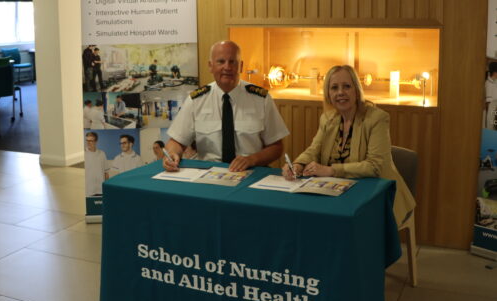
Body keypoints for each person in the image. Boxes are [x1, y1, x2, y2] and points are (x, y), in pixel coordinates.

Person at [282, 64, 415, 225]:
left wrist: (331, 170)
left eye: (346, 86)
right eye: (334, 88)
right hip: (339, 191)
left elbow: (374, 166)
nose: (340, 93)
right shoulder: (328, 119)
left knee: (344, 223)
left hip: (377, 195)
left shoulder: (377, 118)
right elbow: (314, 150)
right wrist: (297, 164)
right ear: (328, 94)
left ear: (356, 90)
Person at [164, 40, 289, 172]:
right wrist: (173, 154)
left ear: (240, 66)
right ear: (210, 66)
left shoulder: (261, 99)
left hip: (250, 172)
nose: (227, 67)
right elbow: (177, 141)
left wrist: (252, 159)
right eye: (221, 61)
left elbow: (276, 147)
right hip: (208, 174)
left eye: (232, 62)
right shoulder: (196, 100)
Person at [84, 132, 109, 196]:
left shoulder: (102, 154)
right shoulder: (83, 155)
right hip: (88, 190)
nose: (88, 143)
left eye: (90, 141)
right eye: (87, 140)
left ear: (96, 141)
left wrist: (107, 188)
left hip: (101, 190)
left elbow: (106, 172)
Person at [485, 62, 497, 129]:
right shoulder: (488, 83)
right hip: (492, 110)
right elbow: (488, 103)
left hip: (495, 109)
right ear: (495, 72)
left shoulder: (495, 82)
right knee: (491, 127)